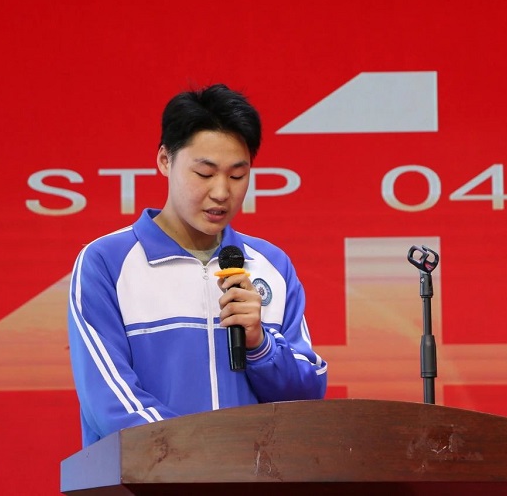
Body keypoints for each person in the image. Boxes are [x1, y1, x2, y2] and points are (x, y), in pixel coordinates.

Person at [67, 84, 328, 447]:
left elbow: (307, 396)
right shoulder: (107, 263)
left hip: (253, 476)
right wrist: (206, 456)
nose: (221, 192)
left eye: (237, 176)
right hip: (155, 474)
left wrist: (259, 344)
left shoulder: (272, 266)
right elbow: (110, 405)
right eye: (205, 174)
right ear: (165, 160)